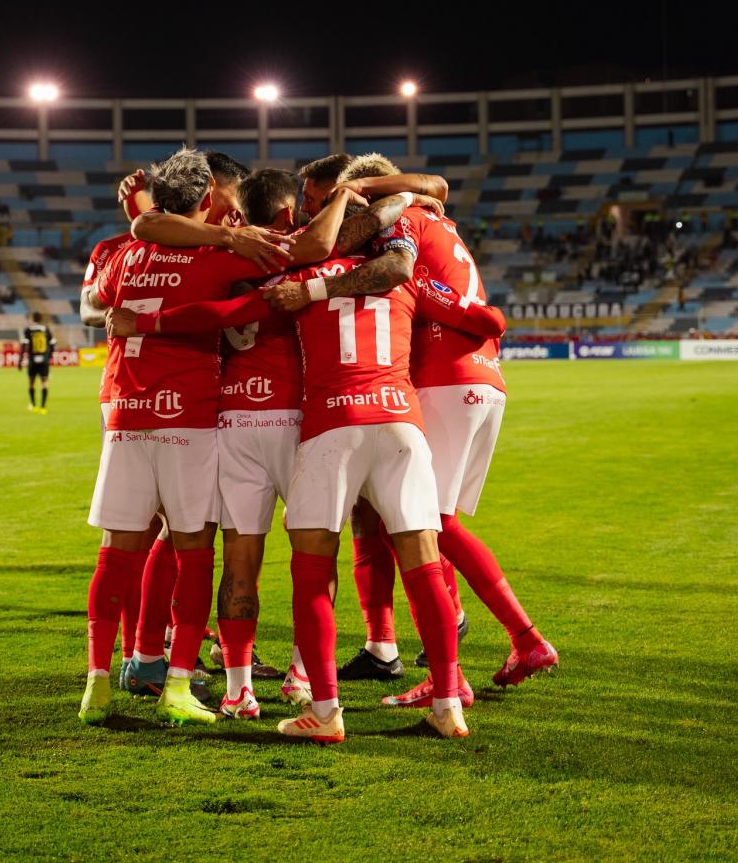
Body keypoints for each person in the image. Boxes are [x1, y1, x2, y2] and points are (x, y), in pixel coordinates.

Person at [117, 251, 506, 740]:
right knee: (424, 562)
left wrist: (146, 320)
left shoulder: (301, 282)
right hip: (401, 422)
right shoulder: (404, 274)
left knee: (312, 565)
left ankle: (323, 712)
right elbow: (485, 318)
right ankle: (448, 704)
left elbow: (224, 315)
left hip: (332, 427)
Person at [318, 153, 558, 694]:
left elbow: (431, 293)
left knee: (429, 525)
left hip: (444, 378)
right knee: (425, 520)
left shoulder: (403, 221)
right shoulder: (442, 223)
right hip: (482, 379)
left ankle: (521, 639)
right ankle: (453, 664)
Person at [77, 149, 283, 727]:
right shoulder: (210, 258)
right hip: (186, 418)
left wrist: (143, 216)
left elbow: (99, 302)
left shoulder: (120, 257)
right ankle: (178, 687)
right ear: (205, 202)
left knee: (116, 553)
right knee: (195, 552)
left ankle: (98, 681)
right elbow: (263, 284)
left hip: (125, 414)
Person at [18, 313, 56, 412]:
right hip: (44, 360)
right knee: (44, 383)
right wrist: (50, 356)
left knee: (31, 383)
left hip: (32, 359)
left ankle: (33, 405)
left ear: (33, 319)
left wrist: (20, 360)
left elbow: (24, 346)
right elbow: (52, 344)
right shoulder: (46, 329)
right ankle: (43, 407)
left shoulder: (28, 330)